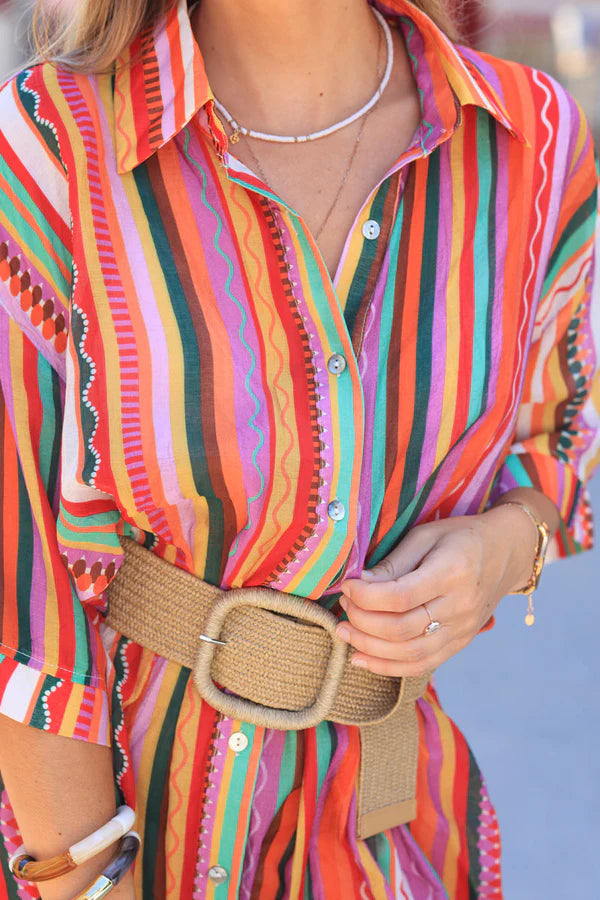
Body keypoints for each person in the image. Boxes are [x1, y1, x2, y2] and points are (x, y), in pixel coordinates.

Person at [0, 0, 598, 897]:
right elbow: (23, 591)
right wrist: (87, 881)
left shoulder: (532, 140)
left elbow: (560, 436)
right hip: (113, 833)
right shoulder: (55, 142)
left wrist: (506, 549)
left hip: (393, 835)